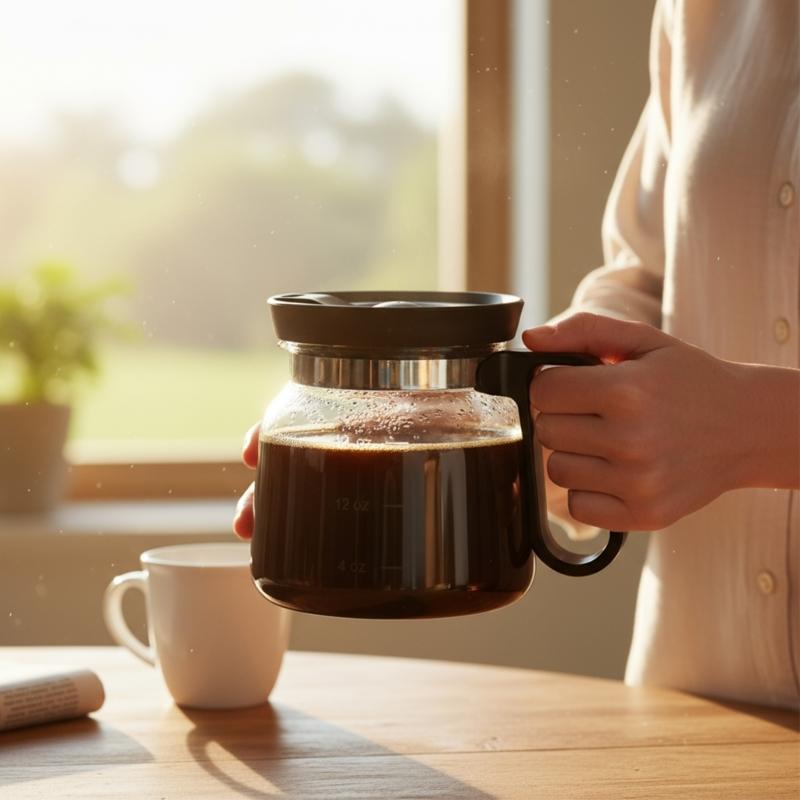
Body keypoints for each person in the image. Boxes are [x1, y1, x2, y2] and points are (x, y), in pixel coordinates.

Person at [234, 0, 799, 710]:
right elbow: (651, 277)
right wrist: (496, 410)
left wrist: (758, 428)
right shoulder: (704, 13)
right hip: (695, 699)